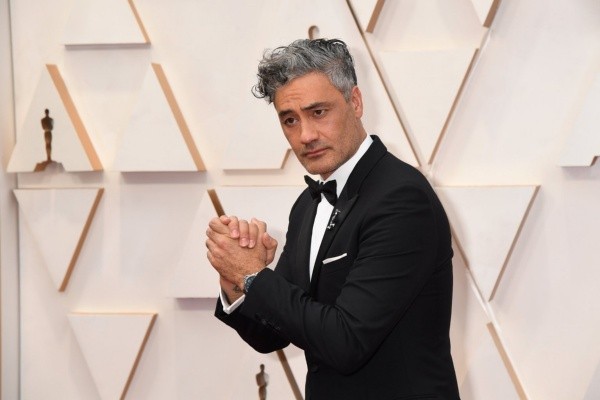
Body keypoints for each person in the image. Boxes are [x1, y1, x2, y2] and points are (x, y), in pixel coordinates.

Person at [205, 38, 460, 399]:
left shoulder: (402, 198)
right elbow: (270, 335)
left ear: (355, 102)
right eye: (290, 120)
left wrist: (253, 275)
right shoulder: (307, 205)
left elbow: (346, 341)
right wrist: (235, 278)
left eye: (318, 112)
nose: (306, 135)